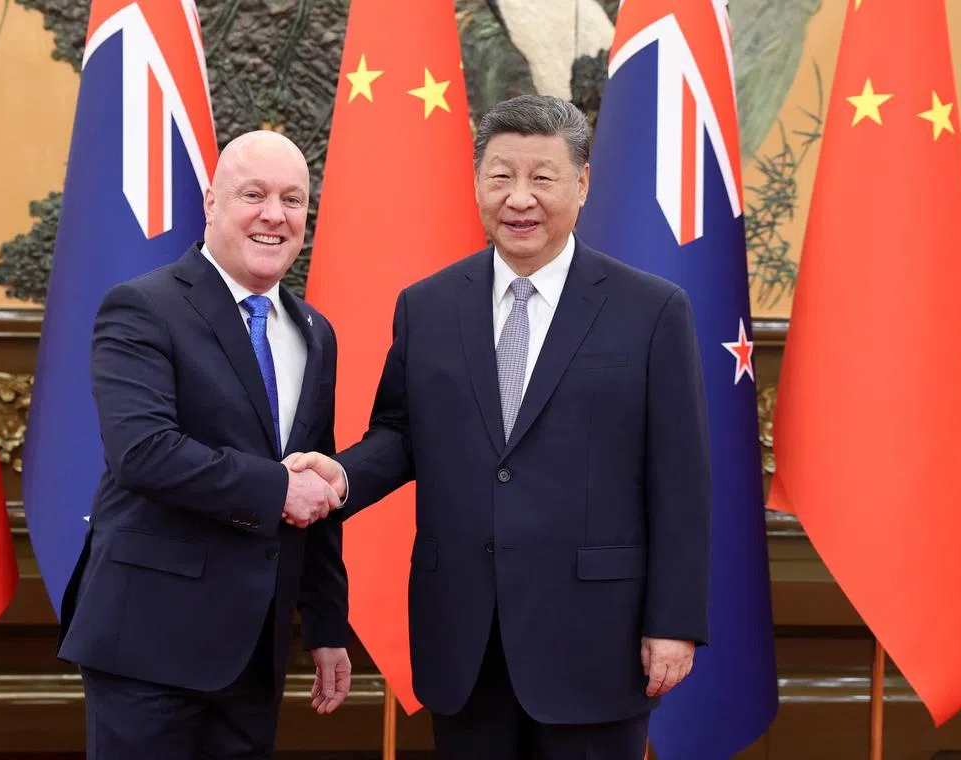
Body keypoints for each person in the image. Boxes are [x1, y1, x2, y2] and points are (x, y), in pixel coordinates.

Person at [289, 95, 711, 760]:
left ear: (582, 184)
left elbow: (680, 480)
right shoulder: (427, 306)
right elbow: (400, 434)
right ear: (477, 182)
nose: (519, 199)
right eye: (501, 176)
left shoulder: (652, 310)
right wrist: (341, 475)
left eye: (542, 178)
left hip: (596, 637)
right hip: (465, 635)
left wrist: (674, 621)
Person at [56, 130, 352, 760]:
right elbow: (143, 452)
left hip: (255, 654)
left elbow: (316, 479)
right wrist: (278, 489)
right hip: (148, 645)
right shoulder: (143, 307)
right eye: (254, 195)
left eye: (293, 200)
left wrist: (326, 623)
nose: (274, 215)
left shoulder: (315, 332)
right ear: (212, 203)